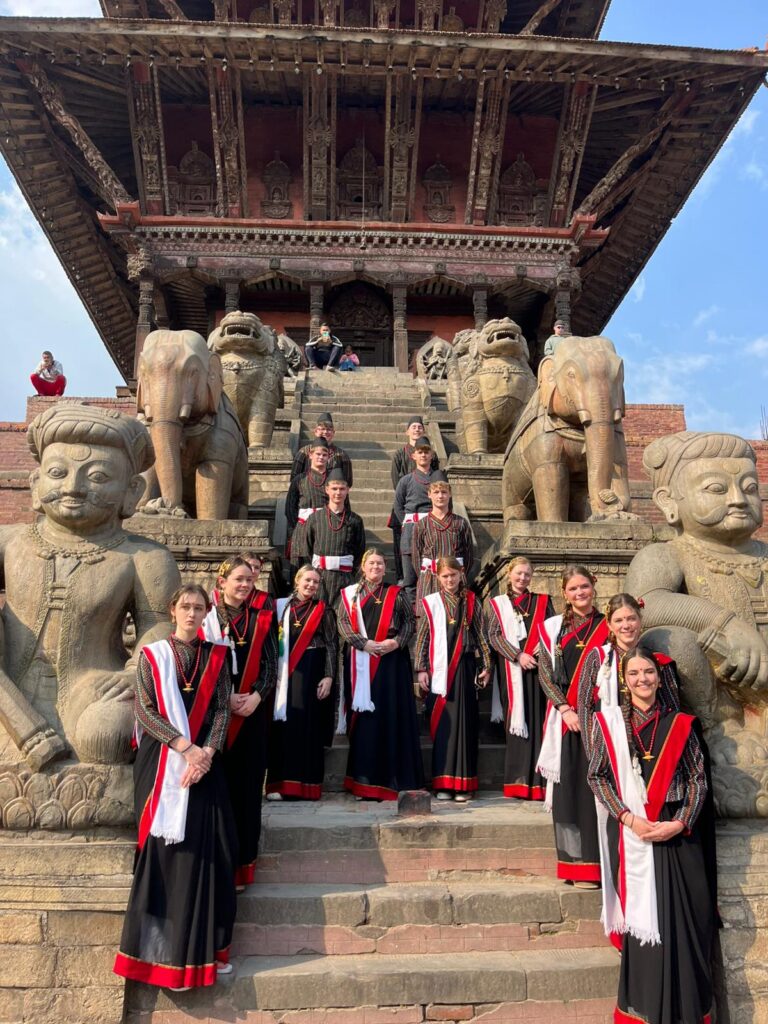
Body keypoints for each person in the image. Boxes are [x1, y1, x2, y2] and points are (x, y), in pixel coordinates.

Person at [114, 584, 237, 990]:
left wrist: (207, 754)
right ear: (173, 610)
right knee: (165, 853)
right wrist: (186, 748)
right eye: (185, 606)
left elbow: (221, 711)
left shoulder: (217, 656)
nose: (191, 613)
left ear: (206, 613)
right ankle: (160, 959)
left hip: (205, 765)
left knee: (213, 852)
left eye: (199, 608)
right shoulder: (152, 656)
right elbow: (145, 710)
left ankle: (205, 953)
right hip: (162, 763)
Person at [588, 646, 715, 1024]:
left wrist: (680, 822)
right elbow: (597, 777)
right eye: (634, 673)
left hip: (678, 835)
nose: (642, 679)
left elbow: (698, 779)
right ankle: (646, 1010)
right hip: (636, 834)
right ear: (624, 681)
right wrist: (627, 818)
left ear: (660, 678)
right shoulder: (608, 724)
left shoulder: (681, 724)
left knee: (685, 923)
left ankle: (687, 1012)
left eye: (648, 672)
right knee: (646, 931)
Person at [201, 556, 277, 889]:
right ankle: (217, 865)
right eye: (239, 579)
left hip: (251, 716)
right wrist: (225, 699)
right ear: (222, 582)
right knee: (218, 790)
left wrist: (257, 696)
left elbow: (272, 665)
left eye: (249, 580)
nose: (245, 585)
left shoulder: (262, 618)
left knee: (247, 791)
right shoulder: (206, 618)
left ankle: (243, 866)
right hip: (215, 717)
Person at [536, 565, 608, 887]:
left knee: (597, 794)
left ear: (593, 586)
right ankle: (575, 866)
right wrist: (564, 708)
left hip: (601, 720)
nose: (580, 593)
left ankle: (602, 866)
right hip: (568, 722)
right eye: (573, 589)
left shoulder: (608, 624)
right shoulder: (553, 628)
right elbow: (545, 674)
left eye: (584, 586)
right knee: (571, 795)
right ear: (564, 594)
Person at [337, 549, 424, 800]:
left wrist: (396, 643)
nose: (376, 567)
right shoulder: (350, 594)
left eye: (380, 563)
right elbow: (343, 623)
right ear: (363, 566)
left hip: (391, 663)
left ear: (386, 568)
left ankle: (395, 780)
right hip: (361, 660)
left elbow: (410, 622)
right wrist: (362, 643)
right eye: (371, 563)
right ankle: (364, 783)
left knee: (392, 716)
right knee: (366, 721)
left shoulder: (396, 593)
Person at [416, 556, 492, 802]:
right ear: (438, 578)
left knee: (465, 725)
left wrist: (487, 665)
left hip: (465, 669)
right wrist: (421, 669)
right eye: (445, 576)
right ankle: (443, 783)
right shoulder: (431, 602)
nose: (450, 580)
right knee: (444, 726)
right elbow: (423, 637)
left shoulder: (472, 601)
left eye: (453, 575)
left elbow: (481, 635)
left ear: (461, 574)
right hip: (439, 671)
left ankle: (464, 785)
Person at [576, 593, 680, 757]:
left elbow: (672, 708)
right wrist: (594, 752)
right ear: (609, 625)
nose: (626, 625)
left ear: (640, 620)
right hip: (607, 748)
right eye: (618, 620)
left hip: (651, 744)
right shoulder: (597, 658)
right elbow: (584, 706)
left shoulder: (657, 662)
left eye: (631, 619)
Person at [485, 557, 554, 801]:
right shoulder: (497, 604)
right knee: (517, 724)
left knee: (538, 721)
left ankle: (539, 784)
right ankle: (518, 783)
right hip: (512, 669)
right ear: (509, 574)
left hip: (538, 668)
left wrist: (542, 646)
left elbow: (553, 629)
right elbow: (493, 635)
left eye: (527, 574)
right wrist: (518, 655)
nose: (522, 578)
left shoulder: (542, 601)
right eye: (519, 573)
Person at [266, 566, 337, 800]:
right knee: (284, 728)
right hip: (285, 672)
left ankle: (308, 787)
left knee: (309, 727)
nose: (311, 585)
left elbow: (331, 644)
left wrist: (329, 676)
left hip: (312, 669)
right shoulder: (280, 606)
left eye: (316, 582)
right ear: (297, 580)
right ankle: (281, 785)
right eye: (307, 580)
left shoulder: (323, 609)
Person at [303, 469, 366, 607]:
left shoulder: (355, 520)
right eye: (334, 488)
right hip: (320, 578)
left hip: (345, 579)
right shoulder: (314, 518)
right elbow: (307, 550)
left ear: (348, 490)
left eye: (342, 489)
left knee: (343, 614)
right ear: (327, 490)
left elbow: (360, 552)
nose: (338, 493)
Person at [412, 471, 473, 612]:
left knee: (457, 616)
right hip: (429, 578)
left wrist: (458, 573)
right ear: (429, 494)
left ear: (450, 494)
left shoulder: (460, 523)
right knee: (428, 615)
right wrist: (426, 574)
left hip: (455, 579)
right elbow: (416, 557)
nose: (440, 496)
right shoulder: (421, 524)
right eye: (436, 492)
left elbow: (469, 555)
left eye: (444, 492)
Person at [389, 416, 438, 580]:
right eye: (413, 427)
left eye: (419, 427)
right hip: (407, 506)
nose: (417, 429)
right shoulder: (400, 455)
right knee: (404, 547)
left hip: (430, 517)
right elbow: (397, 485)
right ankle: (401, 577)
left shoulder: (434, 469)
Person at [394, 436, 437, 604]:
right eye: (420, 452)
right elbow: (398, 506)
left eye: (426, 452)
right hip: (411, 531)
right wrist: (408, 524)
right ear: (413, 455)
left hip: (433, 529)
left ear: (432, 455)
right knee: (410, 579)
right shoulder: (406, 480)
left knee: (432, 576)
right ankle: (411, 614)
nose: (423, 455)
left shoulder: (438, 480)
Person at [285, 436, 330, 567]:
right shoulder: (299, 479)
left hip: (325, 527)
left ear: (329, 457)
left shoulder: (333, 481)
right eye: (318, 454)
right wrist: (298, 527)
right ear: (310, 455)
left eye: (324, 455)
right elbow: (289, 508)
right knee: (301, 567)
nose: (321, 457)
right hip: (302, 527)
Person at [291, 412, 353, 487]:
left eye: (329, 429)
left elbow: (347, 481)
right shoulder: (304, 452)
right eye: (322, 429)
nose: (325, 432)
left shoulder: (342, 455)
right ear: (315, 431)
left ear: (333, 432)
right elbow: (294, 478)